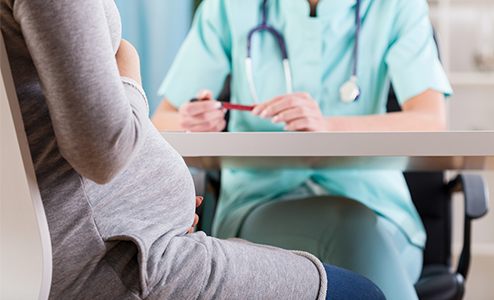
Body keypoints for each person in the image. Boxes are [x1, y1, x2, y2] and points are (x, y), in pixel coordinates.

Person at [0, 0, 386, 299]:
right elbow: (102, 152)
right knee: (362, 294)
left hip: (101, 242)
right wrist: (126, 67)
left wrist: (153, 205)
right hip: (118, 257)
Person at [151, 0, 453, 299]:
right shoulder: (229, 7)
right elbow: (161, 120)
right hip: (261, 205)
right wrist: (193, 121)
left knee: (358, 231)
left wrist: (327, 126)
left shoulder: (398, 7)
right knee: (350, 227)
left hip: (382, 215)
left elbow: (431, 120)